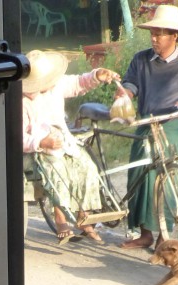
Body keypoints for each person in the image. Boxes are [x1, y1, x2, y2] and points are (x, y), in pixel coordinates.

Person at [112, 4, 178, 250]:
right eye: (153, 33)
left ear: (175, 36)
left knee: (166, 179)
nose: (155, 38)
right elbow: (131, 84)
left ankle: (164, 237)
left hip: (172, 128)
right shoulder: (141, 60)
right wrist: (125, 94)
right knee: (140, 177)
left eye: (161, 33)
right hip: (145, 124)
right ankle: (144, 233)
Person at [23, 49, 119, 245]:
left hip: (64, 142)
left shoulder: (55, 85)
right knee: (58, 171)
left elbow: (78, 83)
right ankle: (61, 218)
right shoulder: (23, 101)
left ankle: (84, 214)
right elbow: (17, 136)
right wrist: (41, 142)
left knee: (88, 167)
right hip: (39, 150)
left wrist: (97, 75)